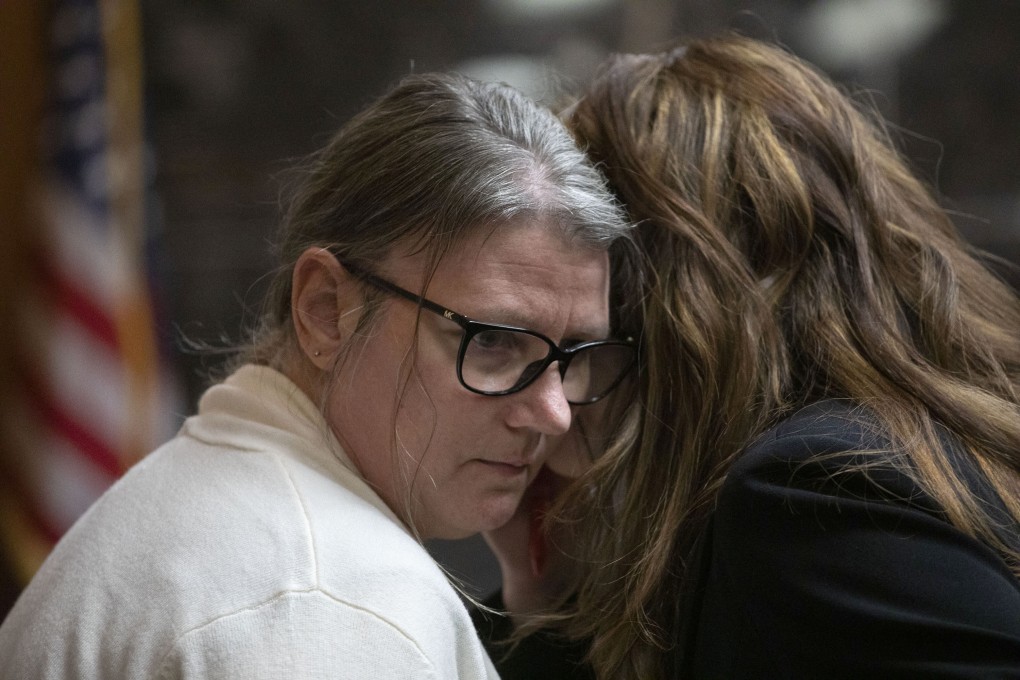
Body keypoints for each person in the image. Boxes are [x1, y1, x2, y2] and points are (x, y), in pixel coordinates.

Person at [0, 71, 637, 679]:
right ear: (326, 311)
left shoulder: (228, 515)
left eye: (574, 354)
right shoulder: (330, 602)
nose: (555, 414)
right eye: (494, 341)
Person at [482, 34, 1020, 679]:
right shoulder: (916, 449)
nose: (553, 385)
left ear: (650, 300)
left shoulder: (811, 491)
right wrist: (545, 595)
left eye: (575, 331)